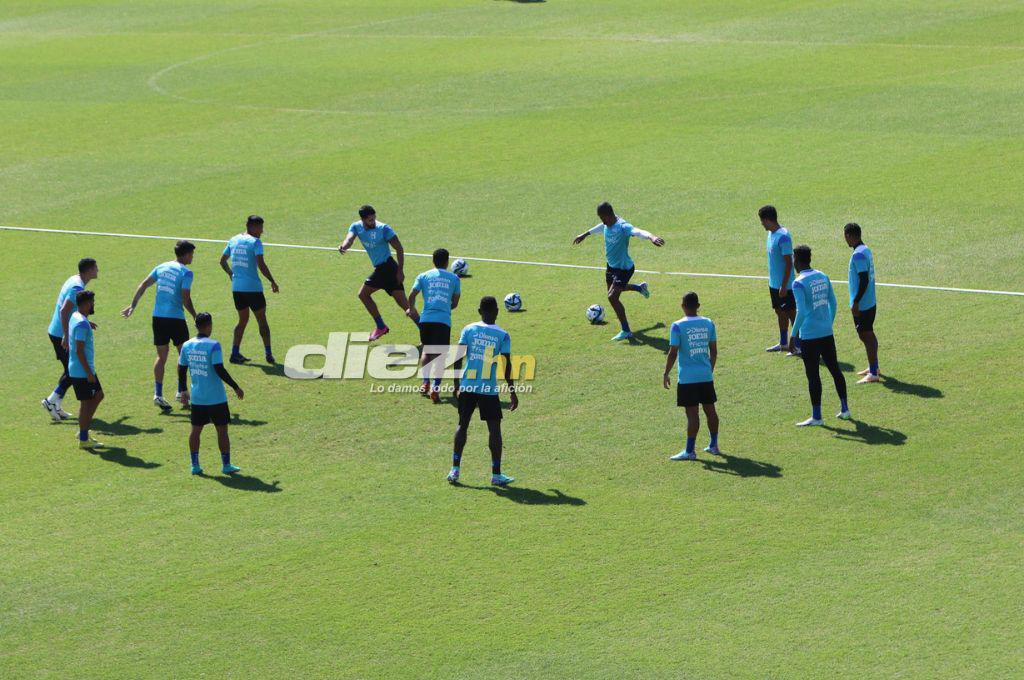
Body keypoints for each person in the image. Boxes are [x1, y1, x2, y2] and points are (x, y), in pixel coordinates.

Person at [448, 296, 519, 486]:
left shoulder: (469, 329)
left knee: (462, 425)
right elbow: (506, 364)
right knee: (494, 429)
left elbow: (458, 357)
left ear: (480, 311)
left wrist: (456, 384)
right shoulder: (503, 335)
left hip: (467, 385)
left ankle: (455, 470)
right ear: (497, 311)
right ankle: (496, 474)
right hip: (488, 389)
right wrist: (512, 391)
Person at [572, 202, 665, 341]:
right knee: (615, 291)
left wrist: (651, 237)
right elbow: (600, 227)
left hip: (624, 268)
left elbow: (638, 231)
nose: (602, 222)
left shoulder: (622, 226)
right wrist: (585, 234)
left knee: (612, 297)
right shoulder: (606, 223)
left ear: (609, 215)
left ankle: (626, 330)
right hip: (611, 266)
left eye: (603, 218)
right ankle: (639, 288)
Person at [121, 240, 197, 410]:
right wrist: (195, 315)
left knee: (161, 357)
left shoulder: (162, 266)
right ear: (185, 254)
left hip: (158, 318)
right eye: (191, 254)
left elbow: (144, 284)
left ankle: (158, 394)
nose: (192, 257)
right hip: (176, 318)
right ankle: (181, 390)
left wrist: (133, 305)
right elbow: (185, 298)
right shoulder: (186, 273)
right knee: (183, 354)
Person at [177, 312, 244, 476]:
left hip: (198, 397)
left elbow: (182, 369)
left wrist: (183, 389)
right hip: (216, 397)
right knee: (222, 431)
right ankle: (226, 465)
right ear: (208, 326)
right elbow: (219, 369)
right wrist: (235, 387)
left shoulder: (186, 345)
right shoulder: (214, 345)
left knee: (195, 431)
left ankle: (195, 465)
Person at [791, 245, 850, 426]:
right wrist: (828, 323)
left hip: (809, 335)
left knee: (813, 375)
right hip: (826, 332)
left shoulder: (798, 282)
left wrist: (793, 335)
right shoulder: (823, 276)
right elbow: (833, 302)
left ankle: (817, 416)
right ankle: (845, 409)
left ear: (797, 260)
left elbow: (801, 311)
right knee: (835, 369)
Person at [337, 205, 411, 341]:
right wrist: (344, 246)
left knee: (363, 294)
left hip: (387, 268)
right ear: (363, 219)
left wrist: (400, 271)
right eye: (370, 220)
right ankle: (427, 332)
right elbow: (350, 239)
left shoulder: (384, 229)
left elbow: (399, 248)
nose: (373, 221)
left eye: (374, 218)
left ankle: (381, 326)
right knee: (406, 306)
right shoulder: (356, 227)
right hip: (387, 270)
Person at [663, 291, 720, 460]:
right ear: (698, 306)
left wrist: (666, 373)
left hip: (687, 378)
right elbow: (714, 351)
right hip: (705, 375)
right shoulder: (709, 323)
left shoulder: (677, 326)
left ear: (683, 306)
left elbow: (673, 353)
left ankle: (689, 451)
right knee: (711, 411)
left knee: (692, 414)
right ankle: (714, 445)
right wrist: (709, 370)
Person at [41, 257, 99, 422]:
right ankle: (51, 401)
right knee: (73, 372)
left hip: (59, 331)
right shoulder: (77, 287)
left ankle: (55, 405)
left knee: (70, 370)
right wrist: (66, 336)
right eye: (95, 268)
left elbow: (72, 309)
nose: (97, 271)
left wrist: (86, 321)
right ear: (89, 270)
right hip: (60, 334)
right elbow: (64, 311)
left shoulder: (75, 279)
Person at [220, 215, 279, 365]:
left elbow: (222, 261)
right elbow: (261, 264)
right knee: (262, 320)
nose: (262, 231)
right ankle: (268, 354)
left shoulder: (233, 239)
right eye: (260, 228)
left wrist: (230, 273)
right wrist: (272, 281)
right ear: (252, 227)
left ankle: (234, 353)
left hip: (237, 289)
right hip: (253, 289)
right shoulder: (255, 242)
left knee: (242, 320)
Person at [407, 248, 461, 403]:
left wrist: (412, 309)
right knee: (440, 355)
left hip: (425, 319)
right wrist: (443, 308)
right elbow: (455, 303)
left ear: (433, 260)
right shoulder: (454, 279)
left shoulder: (423, 276)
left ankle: (425, 383)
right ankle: (435, 389)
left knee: (426, 350)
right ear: (447, 261)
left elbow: (411, 295)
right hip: (443, 321)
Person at [758, 205, 800, 356]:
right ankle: (783, 343)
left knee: (791, 314)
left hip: (785, 286)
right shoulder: (771, 234)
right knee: (779, 312)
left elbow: (789, 263)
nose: (761, 224)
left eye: (762, 221)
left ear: (768, 220)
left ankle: (798, 345)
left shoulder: (783, 237)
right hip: (774, 284)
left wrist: (783, 285)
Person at [67, 290, 104, 449]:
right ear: (86, 303)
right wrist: (89, 373)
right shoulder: (82, 324)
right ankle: (83, 438)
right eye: (92, 302)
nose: (93, 304)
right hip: (83, 371)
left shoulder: (76, 317)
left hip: (81, 369)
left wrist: (88, 323)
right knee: (86, 403)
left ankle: (84, 430)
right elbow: (79, 350)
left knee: (98, 395)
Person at [844, 223, 880, 384]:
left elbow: (864, 279)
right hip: (870, 301)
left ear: (851, 236)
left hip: (863, 304)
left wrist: (856, 301)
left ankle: (873, 372)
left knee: (866, 334)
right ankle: (874, 367)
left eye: (846, 236)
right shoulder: (866, 250)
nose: (845, 239)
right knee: (867, 334)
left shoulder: (858, 255)